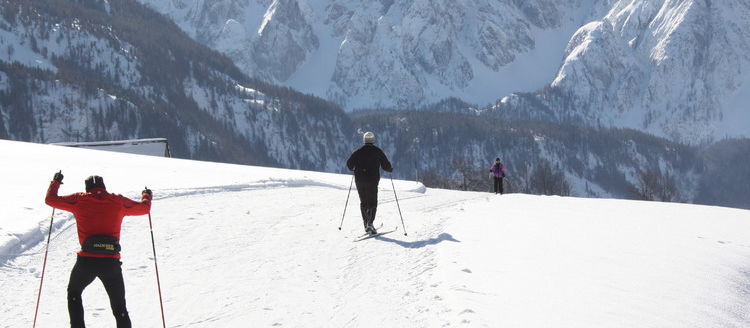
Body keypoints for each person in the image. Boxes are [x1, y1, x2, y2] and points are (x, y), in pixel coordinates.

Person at [45, 172, 152, 328]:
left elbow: (50, 200)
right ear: (104, 187)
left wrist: (56, 182)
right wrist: (146, 195)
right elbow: (144, 209)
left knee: (74, 293)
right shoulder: (118, 201)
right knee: (119, 307)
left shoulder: (79, 200)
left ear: (87, 188)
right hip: (111, 263)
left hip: (86, 261)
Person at [346, 132, 393, 235]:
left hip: (359, 180)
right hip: (372, 180)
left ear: (364, 140)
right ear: (373, 140)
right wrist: (390, 169)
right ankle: (370, 223)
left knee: (364, 202)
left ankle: (366, 224)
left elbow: (349, 164)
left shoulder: (358, 151)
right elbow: (385, 165)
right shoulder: (378, 151)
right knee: (372, 202)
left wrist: (354, 167)